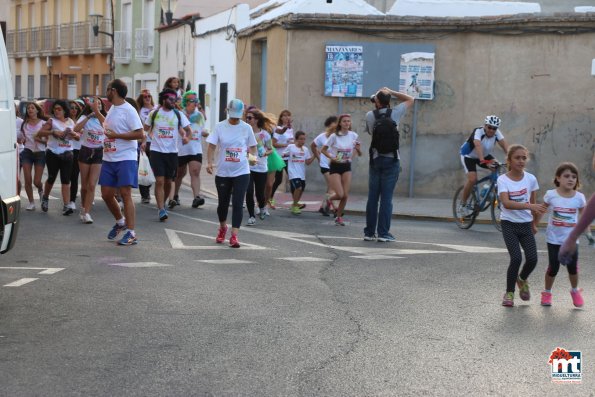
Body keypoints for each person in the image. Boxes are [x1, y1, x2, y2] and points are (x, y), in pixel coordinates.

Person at [498, 144, 547, 307]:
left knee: (532, 259)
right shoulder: (502, 180)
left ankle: (522, 279)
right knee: (516, 258)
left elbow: (533, 202)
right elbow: (505, 203)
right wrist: (529, 207)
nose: (521, 161)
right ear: (509, 160)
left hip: (525, 225)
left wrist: (534, 223)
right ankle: (509, 293)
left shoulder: (531, 179)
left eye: (524, 158)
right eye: (517, 158)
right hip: (509, 225)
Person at [363, 87, 414, 242]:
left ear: (377, 102)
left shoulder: (369, 115)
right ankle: (384, 233)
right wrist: (391, 92)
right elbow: (410, 99)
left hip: (376, 159)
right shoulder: (396, 113)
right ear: (388, 101)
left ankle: (369, 232)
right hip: (392, 160)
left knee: (372, 198)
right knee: (386, 198)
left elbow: (371, 133)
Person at [206, 98, 257, 248]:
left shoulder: (246, 128)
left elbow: (253, 147)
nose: (235, 118)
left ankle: (234, 236)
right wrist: (209, 162)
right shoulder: (220, 127)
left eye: (237, 115)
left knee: (237, 203)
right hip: (223, 171)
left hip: (242, 171)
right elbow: (211, 146)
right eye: (232, 115)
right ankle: (223, 227)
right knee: (222, 204)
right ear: (227, 112)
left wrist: (253, 159)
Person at [534, 163, 586, 307]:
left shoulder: (579, 197)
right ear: (558, 178)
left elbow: (585, 216)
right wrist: (534, 225)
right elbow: (541, 210)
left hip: (571, 241)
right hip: (554, 239)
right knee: (554, 267)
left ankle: (575, 291)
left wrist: (587, 233)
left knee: (572, 267)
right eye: (567, 176)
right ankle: (547, 293)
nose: (571, 179)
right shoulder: (551, 195)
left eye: (574, 177)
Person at [100, 79, 144, 246]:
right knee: (106, 194)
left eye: (108, 89)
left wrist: (116, 136)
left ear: (114, 91)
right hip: (109, 157)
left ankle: (132, 233)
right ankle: (120, 222)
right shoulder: (113, 108)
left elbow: (140, 134)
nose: (106, 92)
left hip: (126, 157)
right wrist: (96, 111)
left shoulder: (129, 110)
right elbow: (108, 128)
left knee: (125, 194)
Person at [144, 88, 191, 221]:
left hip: (172, 152)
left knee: (168, 182)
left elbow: (188, 130)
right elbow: (144, 129)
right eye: (171, 99)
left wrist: (186, 137)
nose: (173, 102)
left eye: (175, 99)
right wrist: (143, 141)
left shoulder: (178, 114)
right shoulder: (154, 113)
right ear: (164, 99)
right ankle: (161, 209)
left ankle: (162, 204)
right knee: (159, 180)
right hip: (156, 151)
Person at [459, 115, 509, 215]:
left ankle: (486, 189)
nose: (491, 130)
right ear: (485, 126)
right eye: (489, 127)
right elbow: (477, 145)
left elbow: (505, 147)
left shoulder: (497, 133)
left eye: (494, 128)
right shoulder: (478, 131)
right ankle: (463, 204)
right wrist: (482, 160)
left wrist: (511, 159)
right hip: (469, 156)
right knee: (472, 179)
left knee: (498, 167)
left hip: (484, 156)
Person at [37, 100, 79, 215]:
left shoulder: (70, 121)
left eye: (59, 109)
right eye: (55, 109)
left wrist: (74, 134)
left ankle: (66, 205)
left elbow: (78, 137)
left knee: (66, 180)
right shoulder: (52, 121)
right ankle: (45, 197)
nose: (56, 111)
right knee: (51, 177)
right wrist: (53, 132)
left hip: (68, 153)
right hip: (53, 153)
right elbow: (40, 133)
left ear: (65, 110)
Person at [321, 113, 362, 226]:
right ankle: (329, 198)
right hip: (335, 166)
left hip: (346, 166)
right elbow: (323, 150)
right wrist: (332, 157)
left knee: (345, 195)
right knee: (339, 194)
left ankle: (338, 217)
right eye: (344, 121)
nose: (347, 123)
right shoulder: (334, 136)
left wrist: (353, 154)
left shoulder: (354, 135)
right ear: (340, 123)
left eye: (348, 121)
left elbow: (359, 152)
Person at [171, 90, 208, 209]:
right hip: (181, 149)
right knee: (179, 174)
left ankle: (196, 197)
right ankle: (175, 196)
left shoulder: (199, 115)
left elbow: (201, 128)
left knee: (195, 172)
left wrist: (204, 132)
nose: (195, 103)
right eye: (193, 101)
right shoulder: (178, 114)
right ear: (186, 102)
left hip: (195, 149)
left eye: (196, 101)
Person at [73, 96, 106, 224]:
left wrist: (98, 114)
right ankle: (83, 206)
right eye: (95, 104)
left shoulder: (104, 118)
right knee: (85, 185)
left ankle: (86, 212)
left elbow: (108, 127)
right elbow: (75, 129)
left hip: (98, 151)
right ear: (90, 106)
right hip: (85, 151)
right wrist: (88, 116)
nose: (97, 106)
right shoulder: (84, 118)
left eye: (99, 104)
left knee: (92, 184)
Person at [245, 108, 274, 226]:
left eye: (250, 118)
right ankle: (251, 216)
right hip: (247, 167)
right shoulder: (245, 132)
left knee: (260, 194)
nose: (247, 120)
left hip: (261, 167)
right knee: (249, 191)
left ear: (256, 120)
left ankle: (262, 206)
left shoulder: (264, 134)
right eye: (246, 117)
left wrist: (264, 153)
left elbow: (271, 149)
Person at [18, 102, 47, 211]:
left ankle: (40, 190)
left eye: (32, 108)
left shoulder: (44, 123)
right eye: (28, 108)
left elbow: (48, 142)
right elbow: (21, 137)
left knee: (36, 181)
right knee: (27, 179)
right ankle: (31, 202)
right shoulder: (24, 124)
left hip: (40, 153)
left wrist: (38, 139)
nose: (30, 110)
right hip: (27, 153)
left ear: (37, 110)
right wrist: (21, 140)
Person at [311, 116, 337, 216]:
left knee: (330, 186)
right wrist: (318, 157)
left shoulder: (338, 137)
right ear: (329, 125)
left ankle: (324, 207)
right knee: (332, 186)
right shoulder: (322, 136)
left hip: (334, 165)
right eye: (333, 123)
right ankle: (336, 208)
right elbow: (313, 145)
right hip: (325, 165)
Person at [283, 130, 314, 215]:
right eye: (301, 139)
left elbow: (308, 162)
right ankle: (295, 205)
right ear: (296, 139)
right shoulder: (291, 147)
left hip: (301, 173)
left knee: (301, 189)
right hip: (293, 172)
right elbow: (283, 155)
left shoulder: (306, 149)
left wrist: (314, 155)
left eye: (304, 139)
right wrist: (283, 156)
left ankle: (295, 204)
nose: (302, 141)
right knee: (298, 188)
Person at [269, 109, 294, 209]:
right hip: (279, 157)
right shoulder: (278, 128)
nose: (287, 117)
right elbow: (274, 143)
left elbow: (292, 142)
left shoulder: (291, 129)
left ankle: (295, 202)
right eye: (284, 116)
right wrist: (286, 144)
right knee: (278, 180)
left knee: (293, 178)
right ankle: (270, 198)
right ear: (281, 118)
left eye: (288, 115)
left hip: (288, 157)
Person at [136, 89, 156, 204]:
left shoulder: (156, 109)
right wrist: (143, 140)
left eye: (149, 96)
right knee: (143, 167)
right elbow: (141, 127)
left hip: (155, 143)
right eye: (145, 97)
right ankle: (145, 194)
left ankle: (148, 189)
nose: (147, 98)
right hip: (143, 142)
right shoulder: (139, 111)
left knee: (152, 167)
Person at [67, 99, 84, 212]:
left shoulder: (81, 120)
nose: (74, 110)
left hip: (78, 150)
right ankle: (67, 200)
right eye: (71, 108)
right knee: (66, 177)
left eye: (76, 108)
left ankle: (72, 201)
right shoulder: (65, 120)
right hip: (67, 150)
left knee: (74, 176)